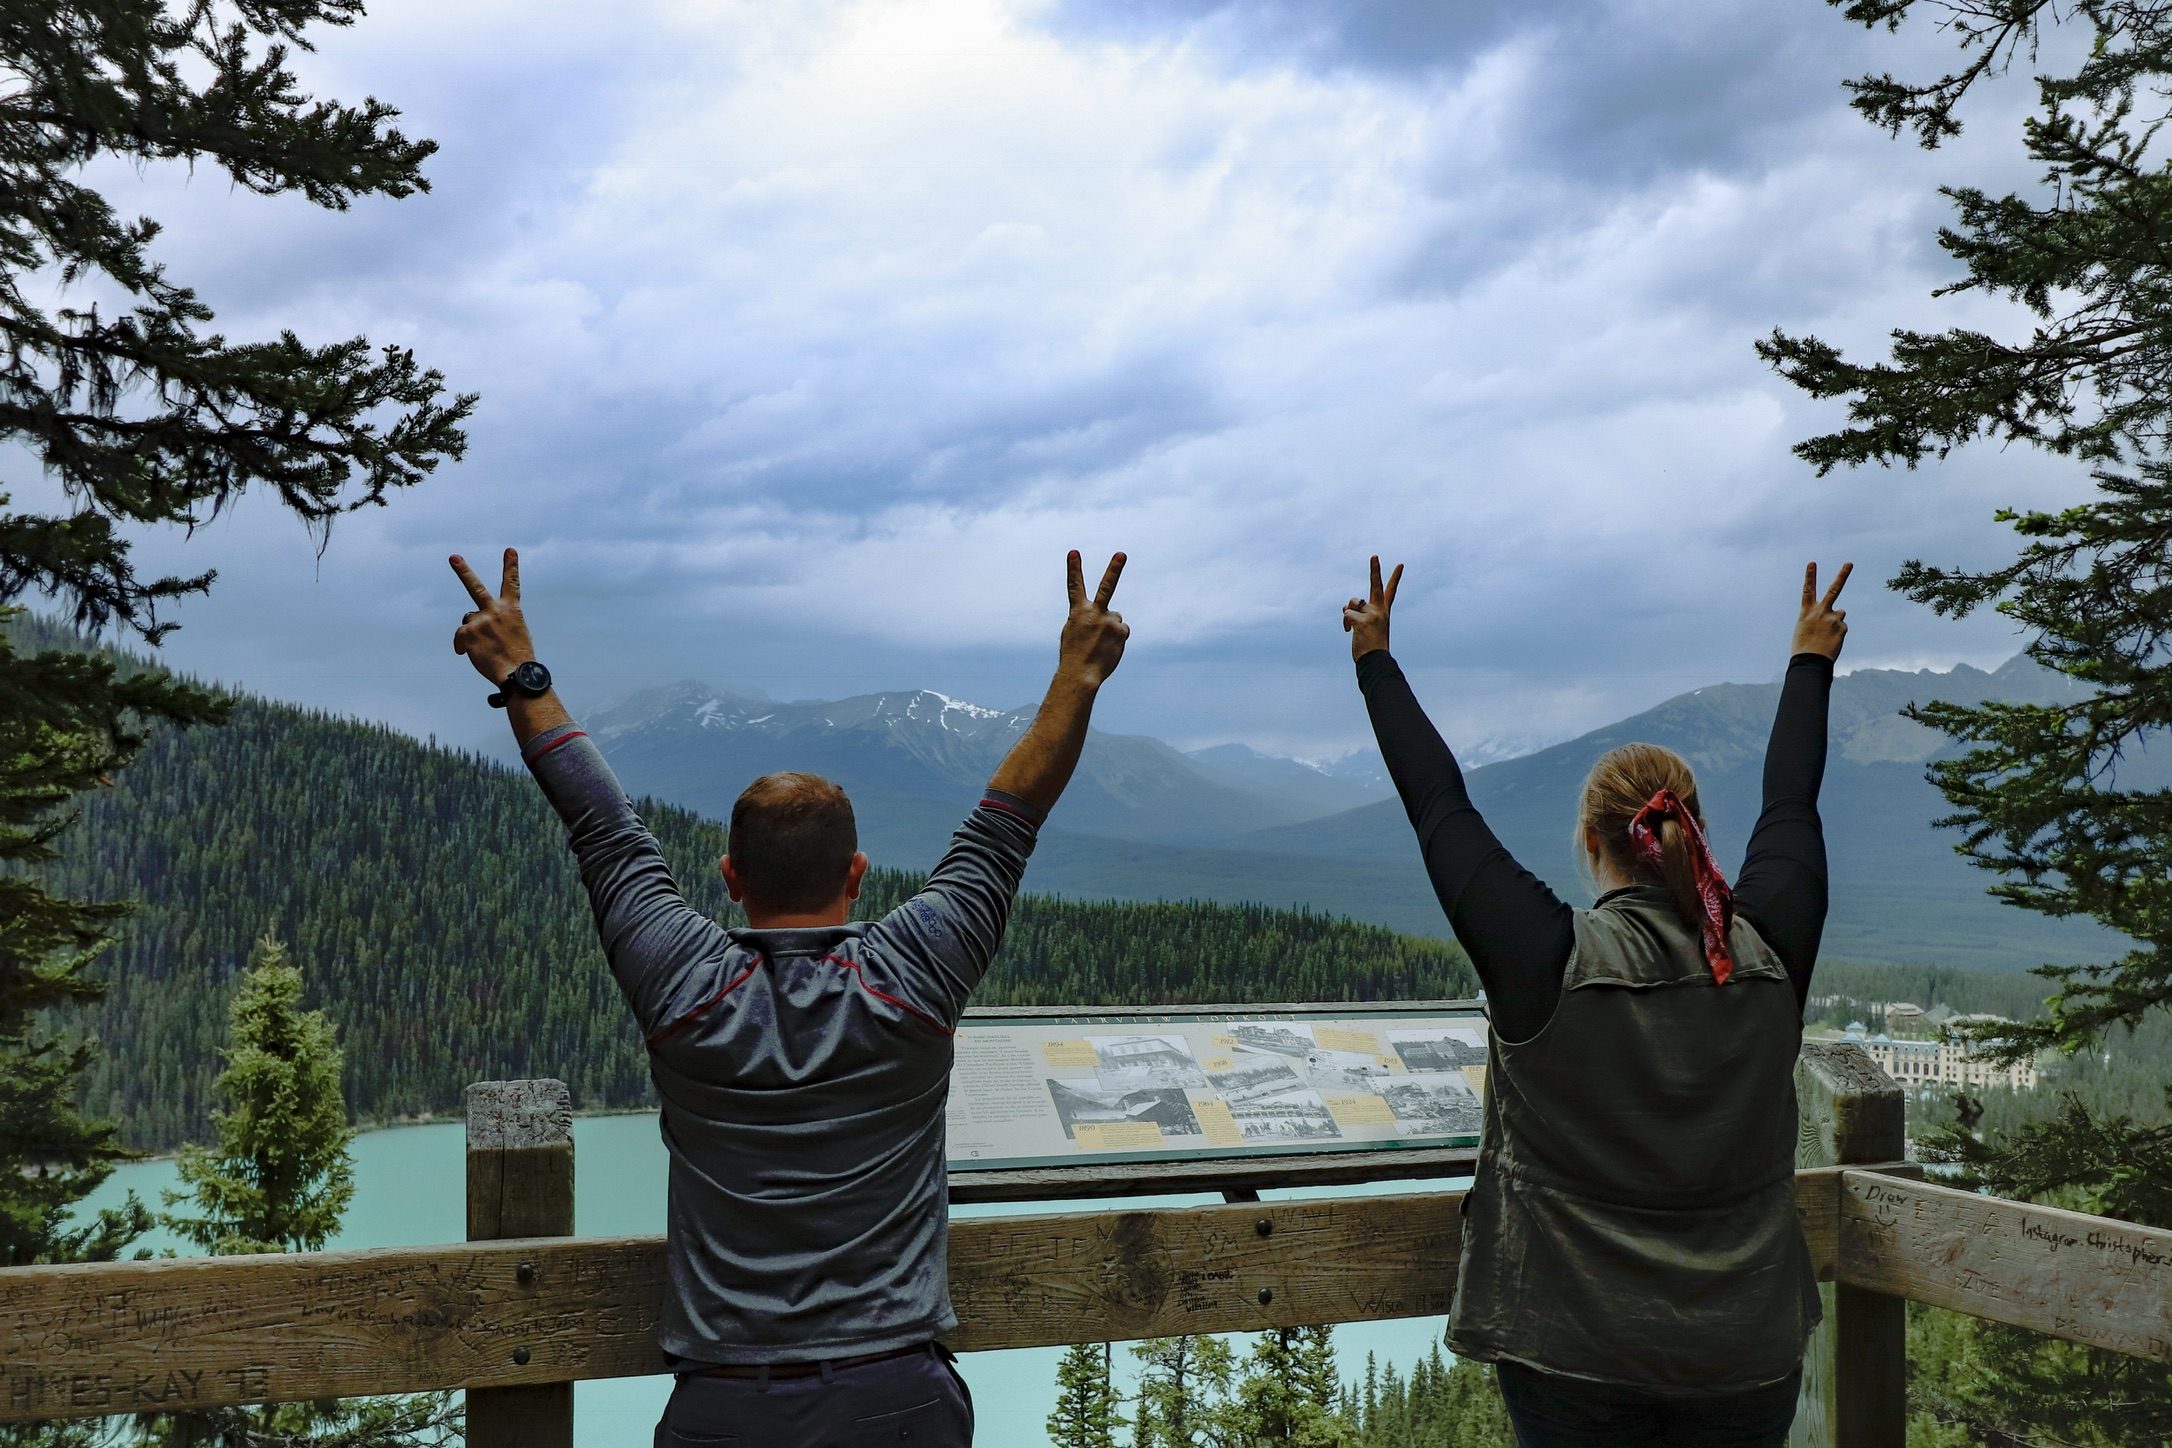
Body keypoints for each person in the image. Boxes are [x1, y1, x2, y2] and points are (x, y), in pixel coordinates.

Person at [447, 545, 1132, 1448]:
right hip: (901, 1400)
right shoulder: (914, 975)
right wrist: (1078, 673)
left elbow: (603, 827)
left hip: (727, 1410)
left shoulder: (685, 986)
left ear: (730, 878)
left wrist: (522, 675)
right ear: (858, 873)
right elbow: (1011, 814)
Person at [1341, 556, 1852, 1448]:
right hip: (1748, 1354)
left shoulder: (1546, 962)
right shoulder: (1770, 953)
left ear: (1590, 843)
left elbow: (1438, 805)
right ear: (1694, 835)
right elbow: (1792, 802)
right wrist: (1810, 660)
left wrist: (1375, 658)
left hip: (1570, 1358)